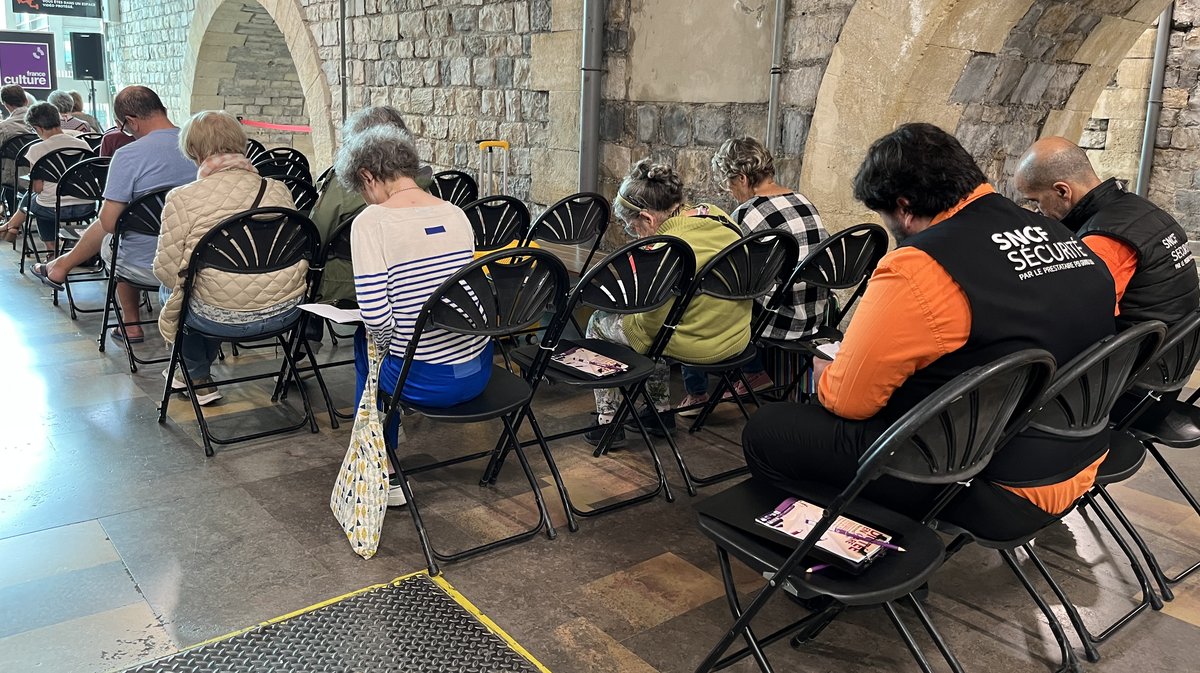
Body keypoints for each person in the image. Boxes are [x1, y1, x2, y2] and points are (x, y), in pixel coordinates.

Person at [742, 123, 1117, 541]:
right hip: (1081, 454)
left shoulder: (922, 265)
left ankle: (844, 553)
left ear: (903, 207)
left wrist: (826, 372)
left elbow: (850, 402)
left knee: (770, 430)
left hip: (990, 482)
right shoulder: (1070, 239)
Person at [337, 124, 492, 507]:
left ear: (368, 176)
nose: (365, 198)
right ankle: (385, 449)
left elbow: (375, 315)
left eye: (362, 190)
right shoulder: (456, 214)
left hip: (426, 381)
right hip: (478, 371)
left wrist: (392, 345)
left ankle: (383, 467)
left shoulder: (371, 223)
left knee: (364, 344)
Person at [586, 159, 752, 446]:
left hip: (699, 343)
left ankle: (608, 421)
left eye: (631, 227)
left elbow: (649, 324)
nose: (633, 234)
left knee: (599, 323)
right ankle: (656, 415)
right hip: (737, 335)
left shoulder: (665, 248)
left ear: (647, 219)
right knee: (666, 322)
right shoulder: (717, 216)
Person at [31, 86, 197, 344]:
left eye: (124, 127)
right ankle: (60, 266)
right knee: (125, 228)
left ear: (131, 121)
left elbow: (109, 222)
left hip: (147, 263)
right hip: (198, 256)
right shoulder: (197, 147)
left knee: (115, 233)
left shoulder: (128, 155)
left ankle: (131, 325)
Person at [154, 111, 299, 405]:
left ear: (193, 150)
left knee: (173, 289)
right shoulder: (279, 189)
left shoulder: (183, 198)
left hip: (220, 316)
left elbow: (167, 273)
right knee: (211, 283)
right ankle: (192, 373)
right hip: (285, 311)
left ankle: (196, 374)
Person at [677, 137, 831, 414]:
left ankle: (697, 394)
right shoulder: (802, 201)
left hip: (780, 320)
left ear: (742, 178)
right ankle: (753, 373)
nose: (729, 191)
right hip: (816, 314)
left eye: (729, 183)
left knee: (698, 295)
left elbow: (727, 275)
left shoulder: (747, 214)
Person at [1015, 137, 1199, 329]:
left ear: (1062, 191)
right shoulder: (1138, 207)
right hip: (1176, 342)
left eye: (1036, 201)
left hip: (1143, 353)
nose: (1036, 211)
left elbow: (1076, 315)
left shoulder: (1104, 241)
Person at [309, 106, 432, 307]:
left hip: (350, 280)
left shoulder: (345, 183)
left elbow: (317, 235)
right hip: (416, 278)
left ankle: (309, 322)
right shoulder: (421, 180)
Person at [0, 103, 93, 256]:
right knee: (39, 198)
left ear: (38, 128)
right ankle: (11, 226)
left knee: (36, 199)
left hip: (52, 209)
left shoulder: (37, 149)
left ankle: (51, 250)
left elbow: (38, 188)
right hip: (86, 207)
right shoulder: (83, 145)